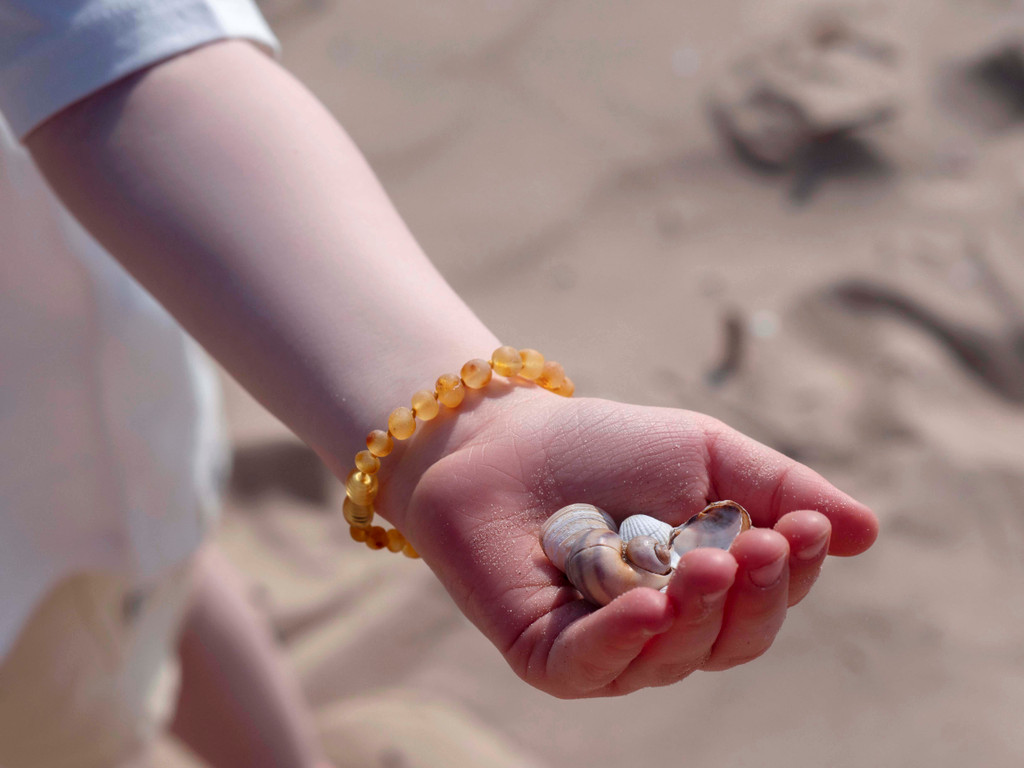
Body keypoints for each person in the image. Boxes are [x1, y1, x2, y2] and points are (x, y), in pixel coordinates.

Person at [0, 1, 879, 766]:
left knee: (165, 559)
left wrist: (465, 432)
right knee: (83, 707)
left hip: (80, 434)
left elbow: (116, 43)